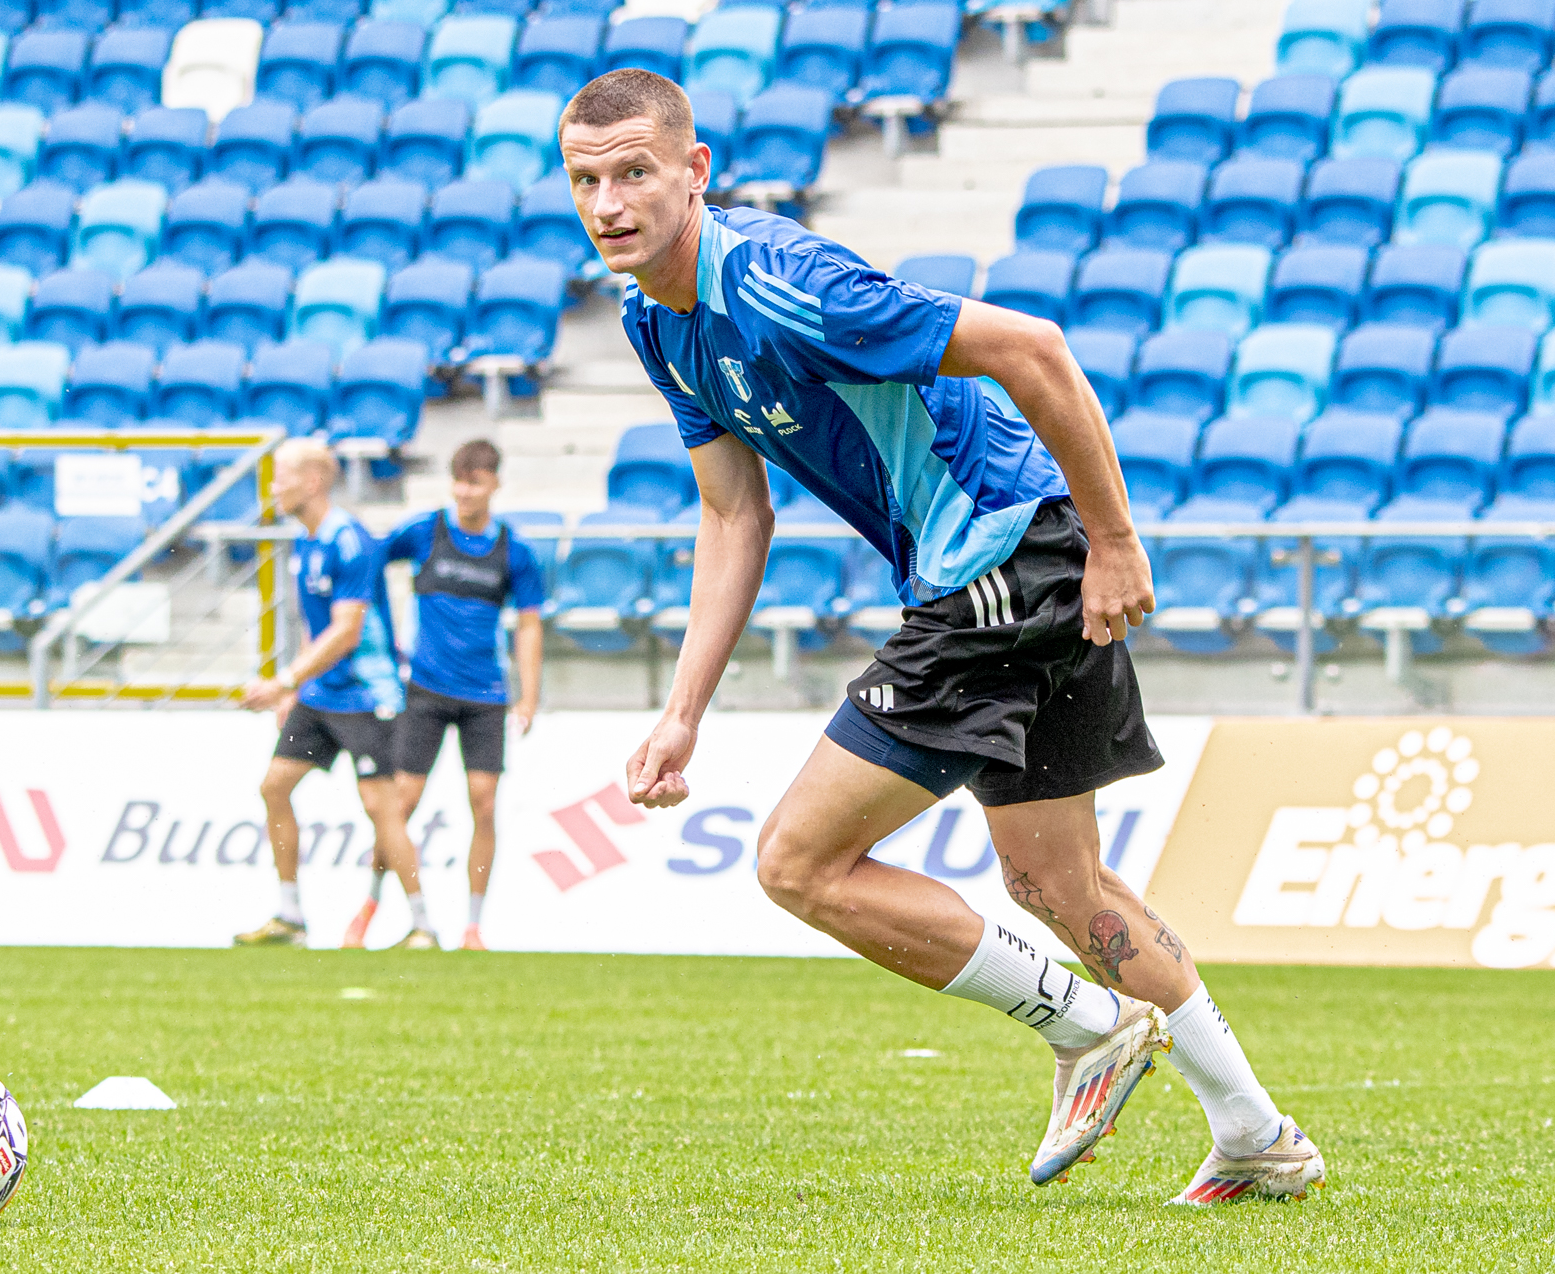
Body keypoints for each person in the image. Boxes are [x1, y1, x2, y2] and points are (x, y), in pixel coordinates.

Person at [561, 68, 1324, 1206]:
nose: (610, 203)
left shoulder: (780, 286)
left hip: (1000, 563)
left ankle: (1088, 1025)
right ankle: (1258, 1134)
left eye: (635, 173)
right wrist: (683, 712)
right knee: (1057, 881)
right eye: (586, 181)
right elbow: (732, 514)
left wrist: (1117, 541)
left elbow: (1037, 349)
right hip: (1025, 561)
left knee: (797, 863)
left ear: (695, 170)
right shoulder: (655, 323)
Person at [234, 438, 440, 952]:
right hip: (322, 695)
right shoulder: (306, 542)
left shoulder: (350, 541)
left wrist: (284, 681)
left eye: (281, 476)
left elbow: (347, 631)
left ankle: (422, 925)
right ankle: (290, 916)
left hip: (368, 697)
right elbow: (317, 626)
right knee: (274, 787)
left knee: (381, 808)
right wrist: (299, 688)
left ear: (313, 481)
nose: (273, 487)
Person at [340, 440, 546, 952]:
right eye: (457, 481)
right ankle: (370, 905)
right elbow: (369, 563)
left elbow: (529, 625)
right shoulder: (424, 531)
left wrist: (529, 696)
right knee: (401, 805)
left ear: (494, 484)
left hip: (486, 695)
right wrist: (374, 636)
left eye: (474, 482)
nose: (464, 491)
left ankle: (472, 927)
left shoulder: (514, 551)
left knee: (484, 803)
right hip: (425, 690)